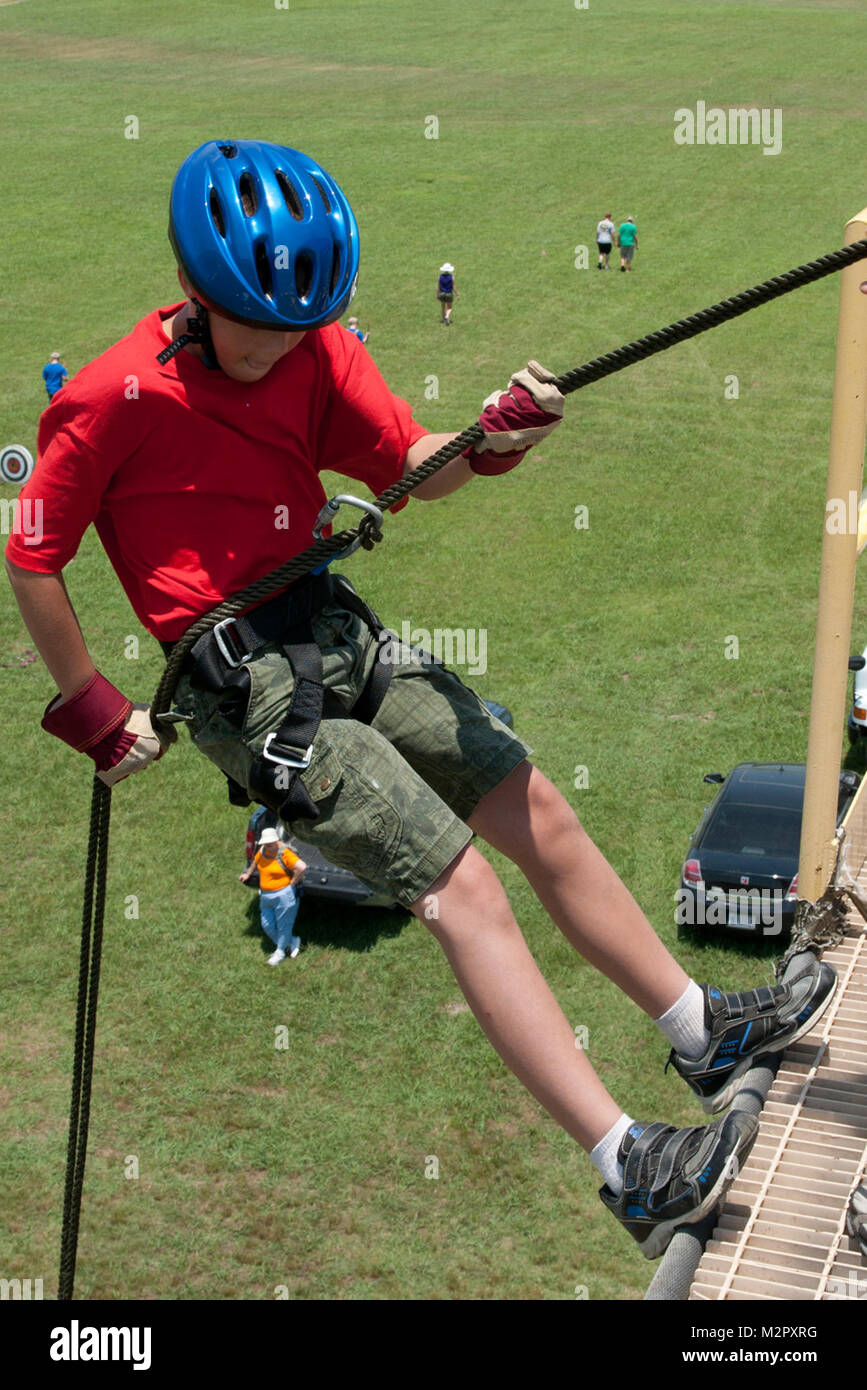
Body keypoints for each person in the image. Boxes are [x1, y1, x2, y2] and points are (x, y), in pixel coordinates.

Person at [5, 138, 837, 1262]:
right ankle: (628, 1165)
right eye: (260, 326)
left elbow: (411, 461)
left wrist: (497, 436)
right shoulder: (114, 396)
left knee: (533, 804)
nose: (284, 348)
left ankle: (696, 1028)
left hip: (328, 621)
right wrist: (96, 708)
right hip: (240, 683)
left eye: (304, 327)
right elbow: (34, 553)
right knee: (461, 886)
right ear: (198, 299)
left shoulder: (316, 350)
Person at [239, 826, 306, 964]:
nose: (268, 846)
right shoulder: (263, 850)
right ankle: (292, 941)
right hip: (266, 895)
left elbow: (302, 867)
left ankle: (280, 952)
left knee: (283, 925)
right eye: (266, 844)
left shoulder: (284, 853)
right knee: (267, 925)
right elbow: (255, 862)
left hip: (283, 895)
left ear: (276, 841)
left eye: (270, 844)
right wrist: (248, 874)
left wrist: (291, 884)